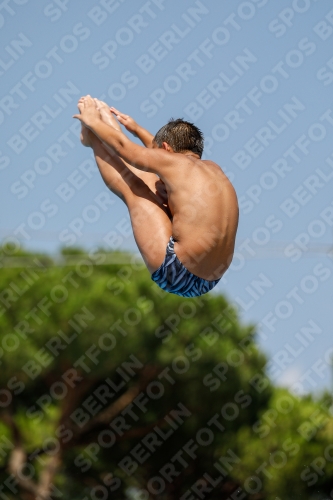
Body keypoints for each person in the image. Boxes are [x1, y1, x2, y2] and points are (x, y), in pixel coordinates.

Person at [73, 96, 239, 298]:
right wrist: (136, 129)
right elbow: (159, 153)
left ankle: (93, 139)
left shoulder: (174, 163)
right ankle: (104, 120)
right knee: (156, 181)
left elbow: (125, 148)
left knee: (136, 187)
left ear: (167, 149)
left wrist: (92, 120)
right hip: (210, 280)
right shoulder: (214, 170)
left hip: (176, 270)